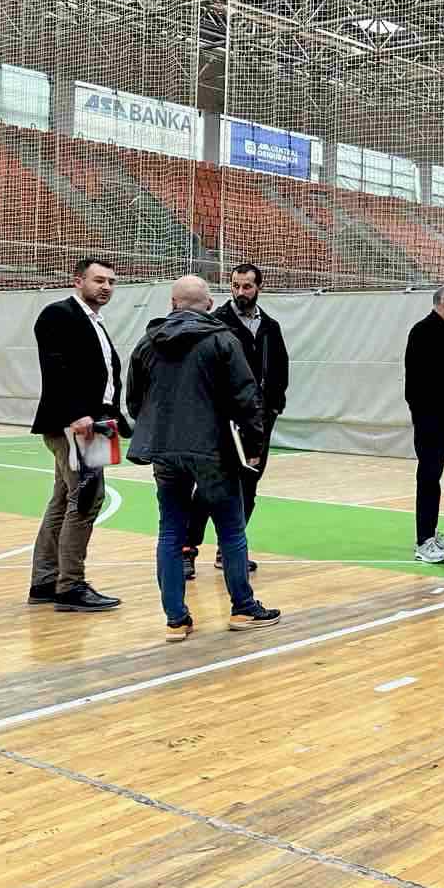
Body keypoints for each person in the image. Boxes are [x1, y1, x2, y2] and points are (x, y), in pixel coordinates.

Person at [126, 275, 280, 641]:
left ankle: (176, 619)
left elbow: (134, 400)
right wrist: (254, 444)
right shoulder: (223, 340)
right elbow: (246, 397)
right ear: (209, 304)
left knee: (170, 531)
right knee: (231, 529)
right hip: (213, 450)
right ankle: (243, 608)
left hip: (165, 450)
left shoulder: (148, 342)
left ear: (172, 303)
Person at [26, 256, 129, 612]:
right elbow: (56, 368)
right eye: (99, 280)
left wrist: (117, 419)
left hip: (94, 424)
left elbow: (105, 377)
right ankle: (69, 585)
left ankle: (45, 581)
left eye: (111, 282)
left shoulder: (94, 322)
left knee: (64, 499)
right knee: (86, 499)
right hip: (77, 425)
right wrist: (76, 415)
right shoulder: (59, 314)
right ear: (78, 281)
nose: (106, 287)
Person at [181, 263, 289, 580]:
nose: (241, 292)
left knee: (248, 487)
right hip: (222, 421)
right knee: (209, 487)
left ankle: (229, 550)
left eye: (247, 286)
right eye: (235, 286)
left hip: (259, 420)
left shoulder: (270, 327)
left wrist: (273, 406)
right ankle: (187, 548)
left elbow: (280, 369)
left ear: (259, 288)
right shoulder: (216, 323)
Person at [405, 284, 444, 564]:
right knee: (428, 475)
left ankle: (430, 531)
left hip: (441, 414)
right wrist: (431, 411)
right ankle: (423, 541)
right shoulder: (423, 331)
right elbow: (420, 379)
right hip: (429, 416)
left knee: (434, 475)